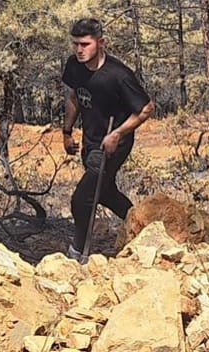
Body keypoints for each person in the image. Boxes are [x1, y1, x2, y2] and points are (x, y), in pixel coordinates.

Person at [61, 16, 154, 262]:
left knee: (82, 199)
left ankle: (77, 254)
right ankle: (141, 228)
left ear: (100, 43)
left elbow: (146, 108)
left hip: (115, 143)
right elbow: (73, 96)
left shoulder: (118, 75)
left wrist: (118, 134)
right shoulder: (73, 66)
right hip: (91, 141)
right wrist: (67, 131)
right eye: (76, 44)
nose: (80, 50)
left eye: (85, 44)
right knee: (105, 192)